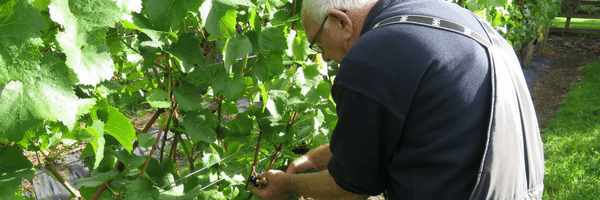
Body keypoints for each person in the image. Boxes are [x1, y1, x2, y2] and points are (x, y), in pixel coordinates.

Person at [250, 0, 545, 199]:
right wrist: (315, 158)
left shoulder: (371, 55)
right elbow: (394, 133)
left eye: (316, 43)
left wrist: (287, 185)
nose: (323, 57)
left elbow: (350, 189)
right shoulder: (442, 14)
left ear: (340, 21)